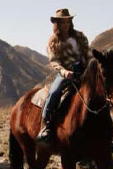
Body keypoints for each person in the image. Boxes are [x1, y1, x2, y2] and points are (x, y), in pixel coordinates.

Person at [37, 8, 92, 143]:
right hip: (66, 73)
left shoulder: (80, 36)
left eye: (68, 21)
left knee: (100, 91)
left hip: (84, 71)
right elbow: (54, 61)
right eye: (62, 22)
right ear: (57, 24)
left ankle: (107, 132)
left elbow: (88, 54)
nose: (66, 25)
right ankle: (46, 126)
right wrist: (65, 72)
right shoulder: (53, 42)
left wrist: (91, 67)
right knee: (54, 93)